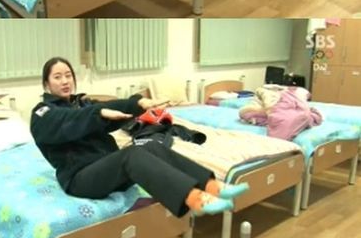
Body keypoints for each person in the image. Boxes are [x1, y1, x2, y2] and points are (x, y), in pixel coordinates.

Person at [30, 57, 249, 216]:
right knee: (131, 154)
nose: (65, 81)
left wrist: (139, 103)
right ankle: (196, 200)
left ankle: (212, 186)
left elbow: (111, 105)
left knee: (149, 146)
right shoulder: (42, 113)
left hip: (106, 172)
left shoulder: (82, 104)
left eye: (68, 75)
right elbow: (66, 120)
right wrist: (98, 113)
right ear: (47, 84)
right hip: (81, 179)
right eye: (57, 77)